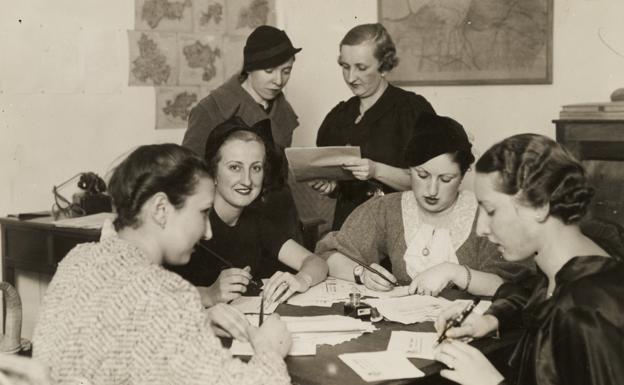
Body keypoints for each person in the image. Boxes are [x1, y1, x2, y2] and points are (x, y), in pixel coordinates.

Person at [33, 144, 292, 385]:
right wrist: (270, 350)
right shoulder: (165, 294)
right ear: (160, 209)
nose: (208, 233)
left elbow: (120, 336)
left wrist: (196, 323)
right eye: (203, 213)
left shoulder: (78, 260)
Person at [433, 134, 624, 385]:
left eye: (490, 211)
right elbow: (533, 298)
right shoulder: (566, 267)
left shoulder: (585, 312)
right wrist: (490, 320)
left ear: (540, 206)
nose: (481, 228)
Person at [315, 115, 531, 297]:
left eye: (446, 179)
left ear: (463, 175)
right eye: (422, 175)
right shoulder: (388, 209)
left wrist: (454, 272)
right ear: (409, 170)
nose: (432, 190)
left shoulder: (482, 215)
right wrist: (361, 273)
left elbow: (513, 286)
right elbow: (329, 256)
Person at [171, 117, 328, 306]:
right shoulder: (188, 220)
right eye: (234, 167)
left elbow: (316, 262)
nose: (247, 180)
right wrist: (209, 294)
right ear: (212, 173)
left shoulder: (256, 221)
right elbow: (149, 290)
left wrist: (301, 280)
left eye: (256, 168)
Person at [310, 23, 436, 230]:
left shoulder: (412, 110)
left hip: (400, 230)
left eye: (361, 68)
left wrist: (376, 170)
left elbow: (431, 183)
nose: (351, 78)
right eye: (345, 66)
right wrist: (331, 186)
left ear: (384, 66)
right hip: (349, 229)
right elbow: (340, 183)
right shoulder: (338, 117)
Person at [182, 24, 302, 240]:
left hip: (279, 220)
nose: (278, 80)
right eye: (269, 71)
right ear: (249, 68)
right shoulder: (210, 109)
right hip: (228, 224)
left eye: (286, 71)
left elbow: (280, 175)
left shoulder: (284, 114)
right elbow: (188, 176)